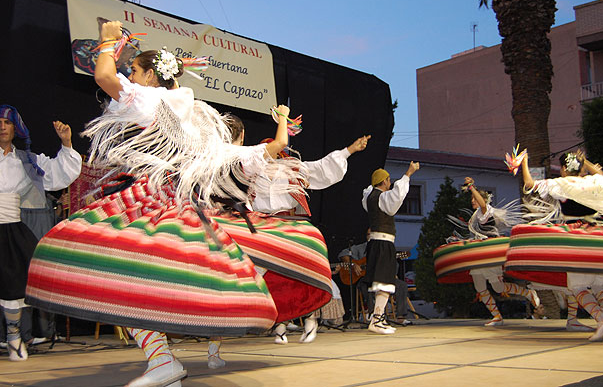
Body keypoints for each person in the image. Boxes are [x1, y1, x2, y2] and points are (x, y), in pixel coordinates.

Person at [25, 21, 285, 386]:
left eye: (134, 70)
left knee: (108, 269)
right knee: (130, 282)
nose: (129, 75)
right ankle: (164, 365)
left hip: (149, 200)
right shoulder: (190, 111)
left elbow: (103, 76)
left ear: (150, 76)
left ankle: (162, 361)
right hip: (173, 202)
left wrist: (108, 42)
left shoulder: (152, 100)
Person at [213, 114, 370, 346]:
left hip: (290, 226)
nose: (271, 155)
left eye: (275, 151)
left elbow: (323, 168)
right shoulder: (252, 172)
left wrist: (350, 150)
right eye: (267, 151)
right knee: (268, 277)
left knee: (302, 274)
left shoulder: (294, 169)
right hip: (262, 227)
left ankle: (309, 318)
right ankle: (279, 325)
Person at [509, 150, 603, 341]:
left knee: (577, 287)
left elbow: (529, 184)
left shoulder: (560, 183)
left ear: (563, 169)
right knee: (600, 287)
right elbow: (600, 173)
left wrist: (525, 163)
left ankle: (602, 320)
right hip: (601, 239)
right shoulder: (594, 181)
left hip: (579, 241)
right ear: (579, 168)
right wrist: (585, 161)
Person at [1, 105, 81, 362]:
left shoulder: (26, 161)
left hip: (11, 230)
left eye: (7, 122)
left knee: (16, 284)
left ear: (16, 128)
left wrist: (66, 143)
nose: (2, 126)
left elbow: (59, 173)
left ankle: (14, 338)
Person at [461, 177, 539, 327]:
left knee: (498, 287)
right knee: (479, 287)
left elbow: (482, 204)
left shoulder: (485, 211)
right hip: (478, 254)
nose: (472, 201)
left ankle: (528, 293)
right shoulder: (475, 215)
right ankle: (497, 316)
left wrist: (471, 187)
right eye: (471, 199)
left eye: (474, 198)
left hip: (489, 253)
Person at [361, 163, 419, 334]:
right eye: (388, 180)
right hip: (383, 243)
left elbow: (377, 192)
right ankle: (377, 321)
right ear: (384, 181)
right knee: (384, 282)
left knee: (381, 282)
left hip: (375, 244)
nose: (390, 183)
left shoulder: (368, 197)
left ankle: (378, 318)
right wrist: (409, 173)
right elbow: (398, 195)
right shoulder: (382, 198)